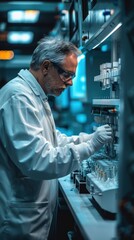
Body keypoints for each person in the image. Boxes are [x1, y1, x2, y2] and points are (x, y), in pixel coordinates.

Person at [0, 36, 112, 240]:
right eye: (67, 75)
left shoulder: (35, 95)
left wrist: (85, 139)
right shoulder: (19, 97)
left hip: (33, 213)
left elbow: (52, 140)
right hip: (21, 220)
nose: (70, 83)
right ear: (46, 67)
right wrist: (91, 146)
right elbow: (39, 160)